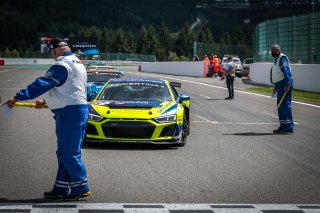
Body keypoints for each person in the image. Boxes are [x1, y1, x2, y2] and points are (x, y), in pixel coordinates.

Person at [4, 38, 91, 200]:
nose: (52, 54)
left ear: (58, 50)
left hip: (69, 113)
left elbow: (42, 84)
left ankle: (81, 186)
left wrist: (18, 97)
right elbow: (69, 89)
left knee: (68, 152)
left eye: (52, 51)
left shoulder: (61, 65)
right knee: (65, 152)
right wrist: (46, 101)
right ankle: (61, 187)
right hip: (76, 110)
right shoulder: (77, 63)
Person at [270, 44, 294, 134]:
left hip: (285, 84)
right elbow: (278, 74)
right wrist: (275, 88)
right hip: (280, 85)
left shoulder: (282, 58)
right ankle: (283, 126)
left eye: (272, 51)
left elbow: (287, 73)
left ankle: (289, 127)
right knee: (280, 106)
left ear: (277, 50)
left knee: (285, 106)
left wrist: (287, 85)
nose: (271, 53)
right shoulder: (277, 59)